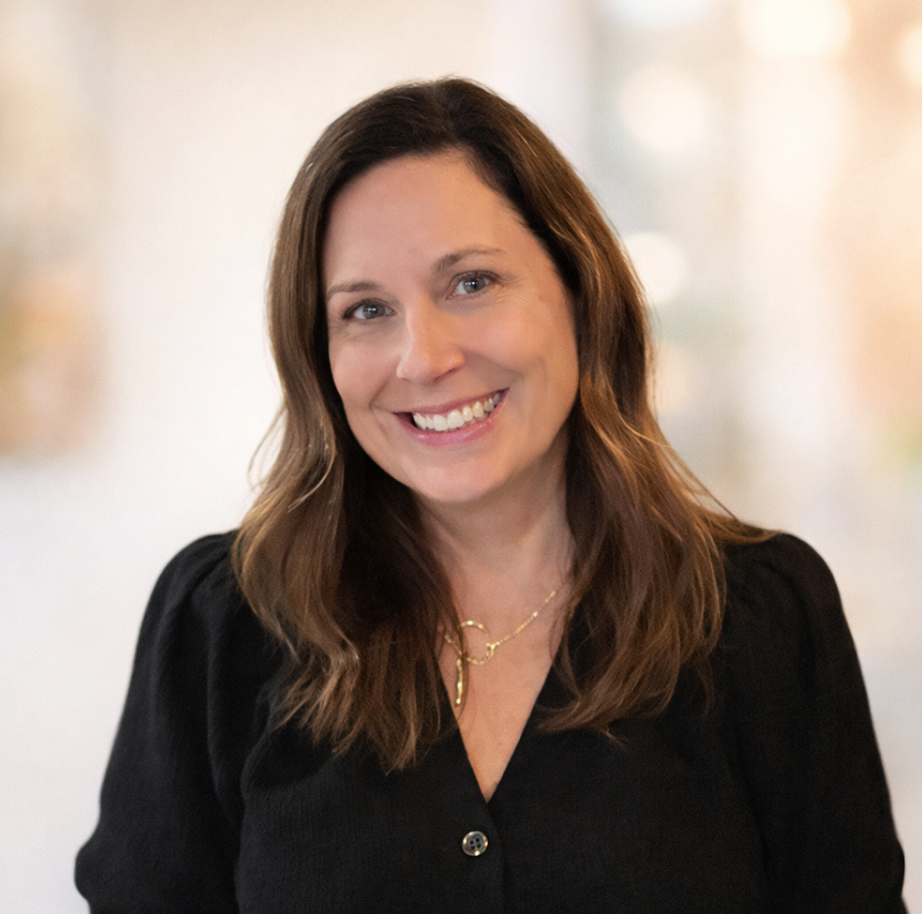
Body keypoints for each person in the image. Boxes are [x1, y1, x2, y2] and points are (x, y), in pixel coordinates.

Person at [76, 78, 906, 913]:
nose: (423, 358)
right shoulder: (224, 623)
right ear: (319, 356)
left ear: (580, 295)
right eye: (366, 309)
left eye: (471, 283)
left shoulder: (762, 616)